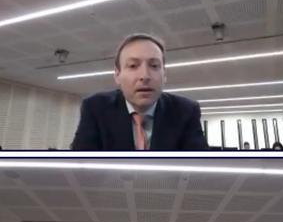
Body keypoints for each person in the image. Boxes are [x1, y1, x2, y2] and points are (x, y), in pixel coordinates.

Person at [71, 33, 208, 150]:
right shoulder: (95, 108)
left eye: (154, 66)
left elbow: (201, 169)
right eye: (133, 66)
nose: (145, 76)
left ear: (164, 74)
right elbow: (80, 168)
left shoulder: (186, 110)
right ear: (117, 75)